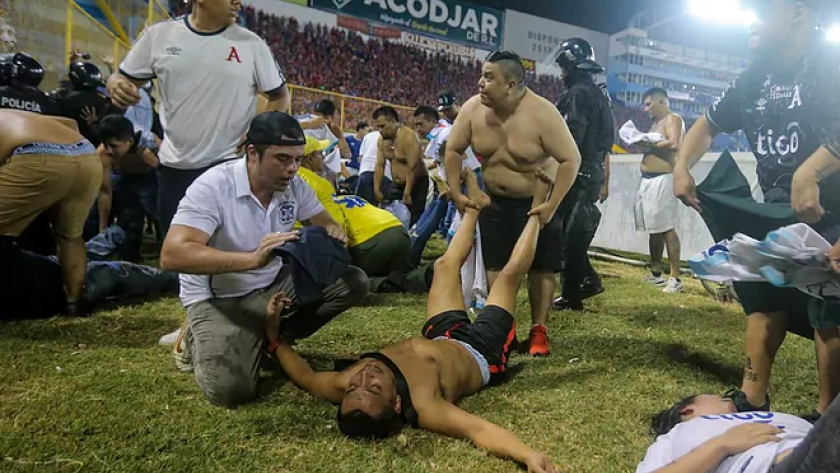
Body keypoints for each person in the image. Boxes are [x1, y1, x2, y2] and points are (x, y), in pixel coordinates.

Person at [265, 169, 558, 473]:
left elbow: (307, 378)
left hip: (442, 334)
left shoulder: (348, 383)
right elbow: (477, 430)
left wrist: (274, 340)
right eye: (374, 388)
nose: (364, 377)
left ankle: (474, 207)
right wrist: (527, 455)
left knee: (444, 266)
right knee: (508, 276)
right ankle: (538, 212)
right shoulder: (425, 405)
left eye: (353, 388)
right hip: (482, 352)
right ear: (395, 404)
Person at [673, 0, 840, 422]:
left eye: (761, 10)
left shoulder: (830, 64)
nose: (751, 20)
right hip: (778, 213)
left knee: (831, 308)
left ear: (798, 13)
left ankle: (827, 416)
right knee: (762, 296)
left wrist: (810, 172)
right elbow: (707, 125)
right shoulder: (753, 79)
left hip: (834, 213)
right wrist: (681, 165)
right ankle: (752, 397)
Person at [159, 112, 369, 408]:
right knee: (230, 391)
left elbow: (324, 221)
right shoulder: (213, 186)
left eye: (297, 159)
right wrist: (251, 260)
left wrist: (331, 233)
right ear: (252, 154)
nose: (292, 168)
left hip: (272, 286)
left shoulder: (294, 184)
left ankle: (270, 340)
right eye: (282, 158)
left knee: (352, 282)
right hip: (220, 297)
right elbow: (172, 255)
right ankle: (195, 335)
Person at [108, 0, 290, 236]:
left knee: (229, 248)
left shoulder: (252, 44)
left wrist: (260, 132)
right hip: (175, 169)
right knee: (178, 251)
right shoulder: (159, 36)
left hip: (229, 166)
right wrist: (115, 84)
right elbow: (122, 77)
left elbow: (280, 95)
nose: (238, 2)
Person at [444, 49, 582, 357]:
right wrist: (455, 191)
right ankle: (504, 327)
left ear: (510, 85)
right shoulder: (472, 109)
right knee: (496, 265)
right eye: (481, 75)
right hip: (495, 201)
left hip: (537, 203)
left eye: (488, 77)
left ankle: (539, 329)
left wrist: (552, 204)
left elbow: (571, 159)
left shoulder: (542, 113)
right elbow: (453, 150)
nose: (480, 83)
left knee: (541, 267)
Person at [0, 110, 103, 316]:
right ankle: (74, 303)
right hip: (85, 154)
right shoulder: (12, 114)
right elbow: (71, 123)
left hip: (34, 156)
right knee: (70, 236)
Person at [551, 37, 614, 312]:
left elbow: (573, 133)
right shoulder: (597, 93)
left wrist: (559, 163)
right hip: (592, 169)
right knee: (571, 235)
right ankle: (586, 282)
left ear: (571, 66)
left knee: (569, 237)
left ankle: (572, 295)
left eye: (563, 68)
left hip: (580, 171)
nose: (561, 74)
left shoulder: (578, 93)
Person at [636, 392, 840, 473]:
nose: (729, 399)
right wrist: (721, 444)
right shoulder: (675, 436)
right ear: (687, 410)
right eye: (721, 397)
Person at [636, 87, 686, 294]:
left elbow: (674, 143)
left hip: (663, 179)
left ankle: (675, 277)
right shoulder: (655, 124)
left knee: (666, 227)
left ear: (662, 102)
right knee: (654, 227)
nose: (645, 109)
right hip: (648, 180)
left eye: (649, 104)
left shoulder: (673, 119)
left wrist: (649, 144)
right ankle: (656, 273)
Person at [89, 115, 159, 262]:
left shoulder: (150, 142)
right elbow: (105, 192)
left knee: (155, 207)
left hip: (151, 176)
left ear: (130, 141)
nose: (109, 150)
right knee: (95, 213)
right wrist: (102, 229)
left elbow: (172, 173)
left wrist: (156, 163)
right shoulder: (102, 153)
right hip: (122, 176)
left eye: (114, 146)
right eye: (105, 144)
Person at [373, 105, 429, 227]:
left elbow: (413, 166)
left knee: (413, 219)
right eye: (378, 127)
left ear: (393, 122)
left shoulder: (408, 137)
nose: (380, 130)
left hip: (417, 183)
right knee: (387, 213)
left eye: (383, 126)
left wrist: (407, 191)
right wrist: (376, 188)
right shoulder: (382, 140)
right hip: (397, 184)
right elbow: (379, 165)